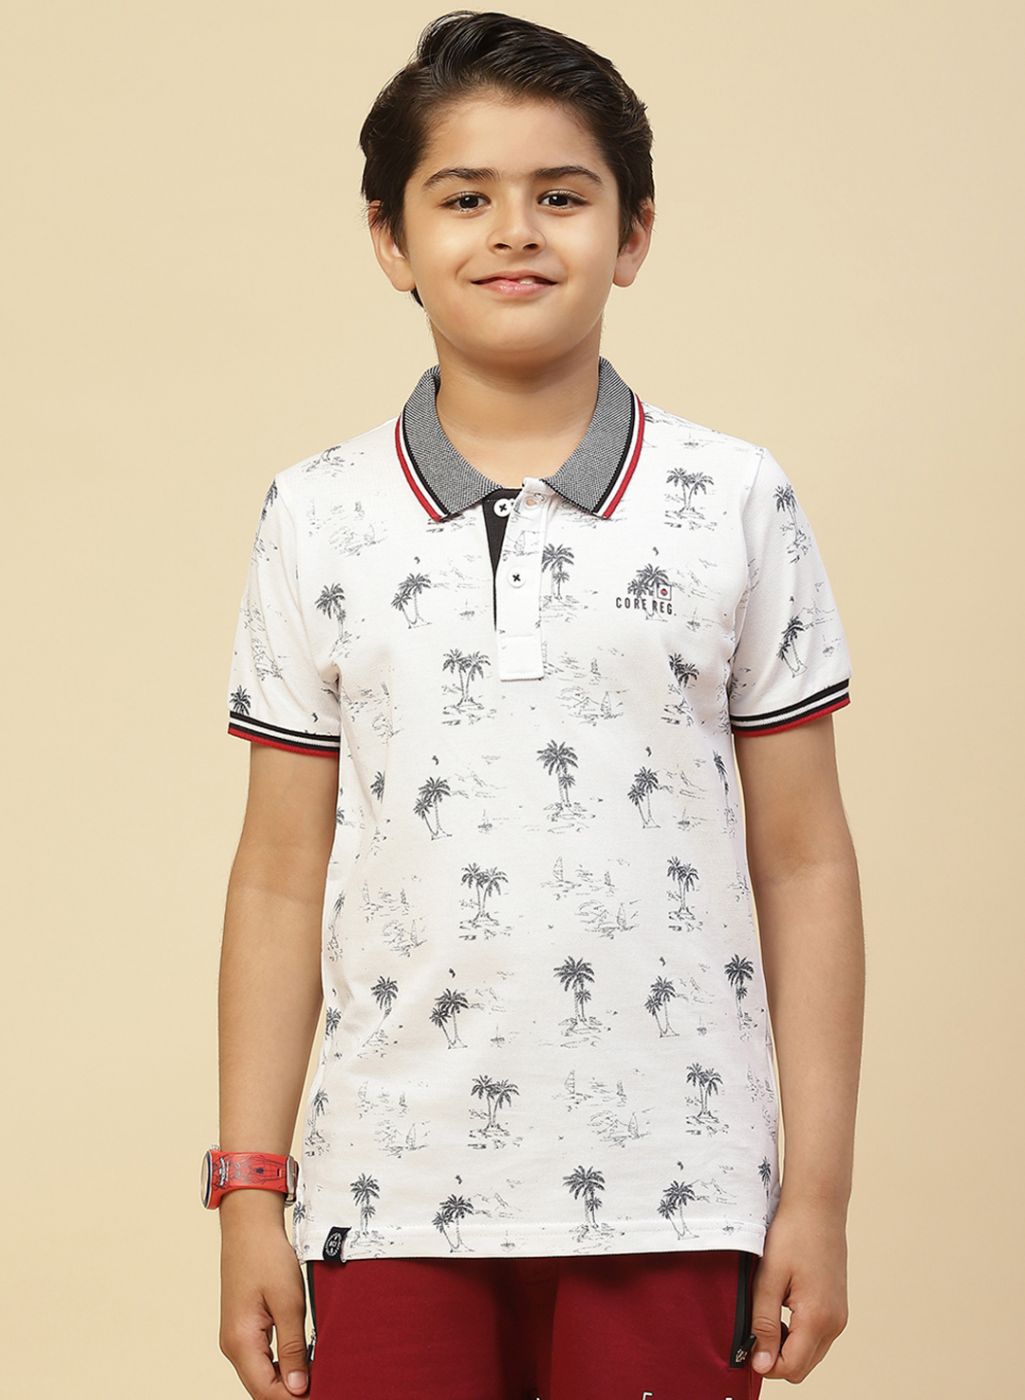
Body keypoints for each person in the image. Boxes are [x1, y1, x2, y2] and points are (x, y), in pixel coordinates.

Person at [212, 10, 864, 1398]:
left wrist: (816, 1195)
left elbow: (805, 859)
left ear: (633, 234)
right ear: (390, 238)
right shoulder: (316, 514)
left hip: (679, 1189)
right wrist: (249, 1190)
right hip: (385, 1188)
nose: (514, 230)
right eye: (464, 198)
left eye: (561, 196)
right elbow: (277, 872)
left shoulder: (735, 500)